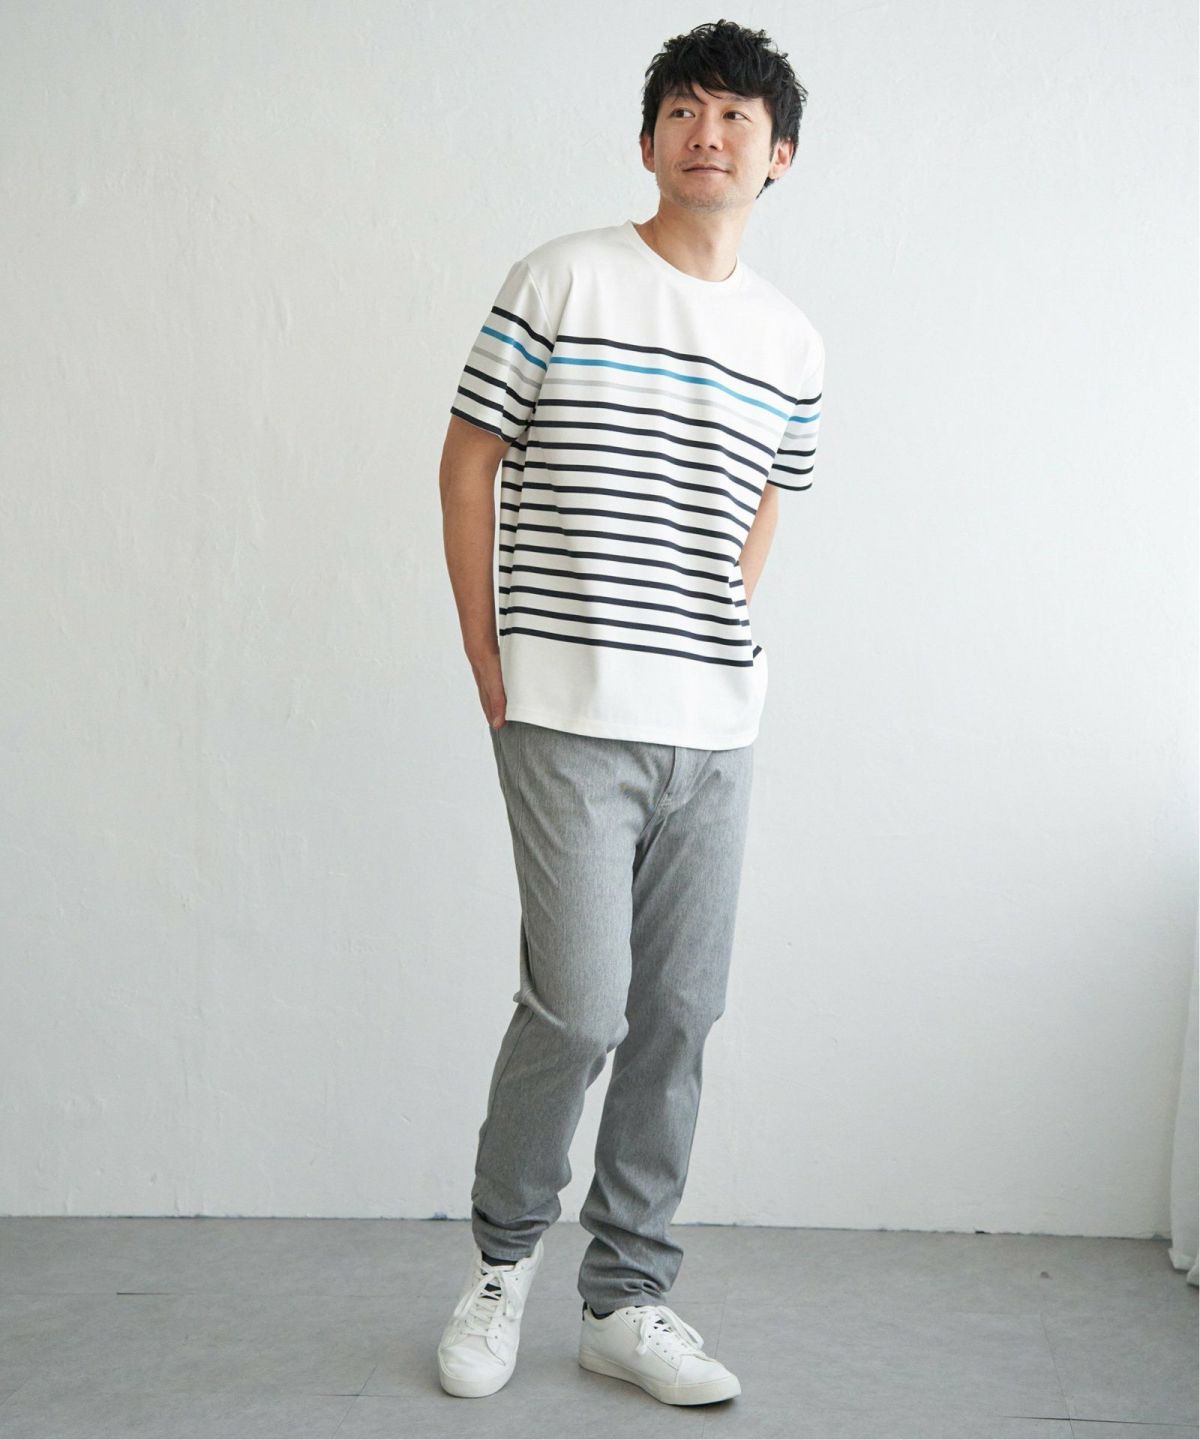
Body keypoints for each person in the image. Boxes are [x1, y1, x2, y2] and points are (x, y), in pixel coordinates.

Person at [435, 17, 824, 1407]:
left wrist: (716, 627)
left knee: (679, 1012)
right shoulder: (562, 278)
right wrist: (486, 650)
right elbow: (467, 459)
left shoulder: (791, 340)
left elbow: (772, 494)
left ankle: (628, 1298)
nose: (707, 134)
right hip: (566, 707)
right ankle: (501, 1265)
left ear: (779, 156)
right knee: (580, 1006)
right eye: (684, 111)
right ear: (649, 138)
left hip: (715, 727)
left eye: (736, 117)